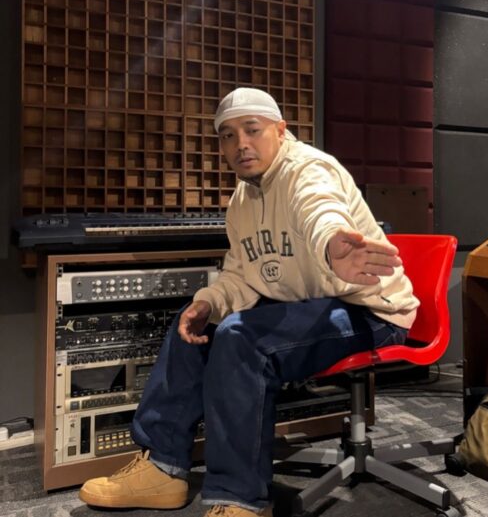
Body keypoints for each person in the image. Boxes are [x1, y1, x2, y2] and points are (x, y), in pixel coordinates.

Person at [78, 88, 419, 517]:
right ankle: (163, 467)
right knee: (197, 324)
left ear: (281, 130)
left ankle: (237, 496)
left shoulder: (308, 169)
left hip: (371, 310)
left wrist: (331, 243)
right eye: (228, 135)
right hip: (309, 303)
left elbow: (319, 209)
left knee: (243, 338)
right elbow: (242, 274)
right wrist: (209, 302)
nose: (241, 144)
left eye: (252, 130)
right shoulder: (242, 200)